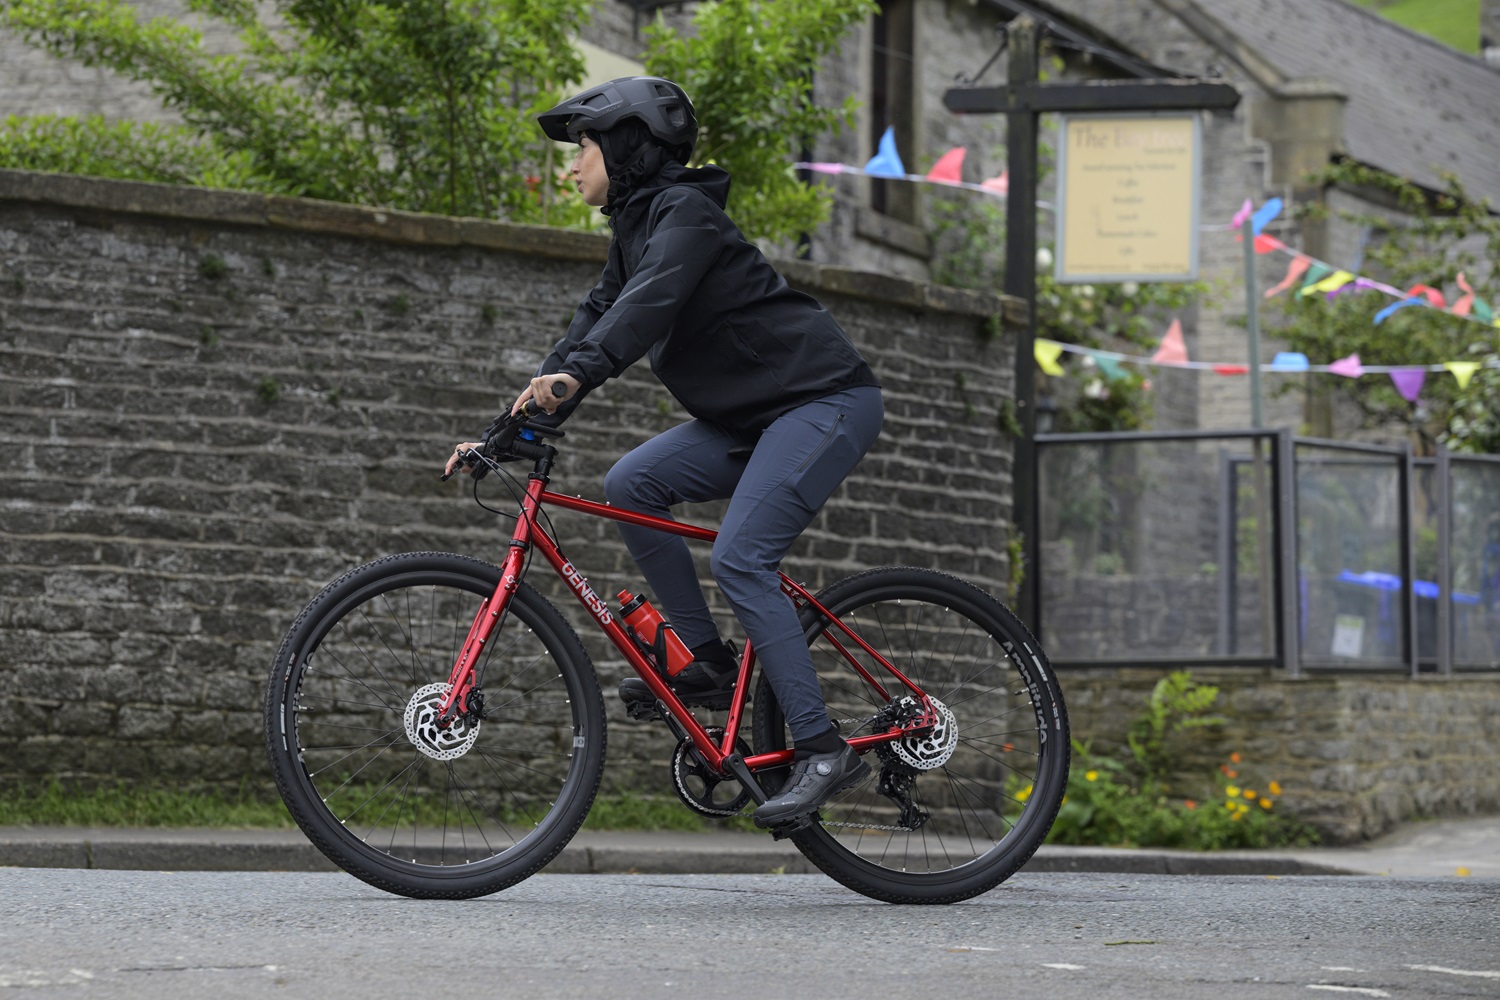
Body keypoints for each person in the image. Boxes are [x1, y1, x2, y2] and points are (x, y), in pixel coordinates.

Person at [444, 77, 884, 827]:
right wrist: (509, 429)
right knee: (633, 481)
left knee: (743, 559)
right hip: (753, 418)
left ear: (625, 143)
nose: (571, 165)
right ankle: (707, 663)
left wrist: (577, 374)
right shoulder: (635, 231)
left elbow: (644, 308)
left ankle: (821, 747)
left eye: (582, 147)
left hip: (822, 403)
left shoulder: (687, 216)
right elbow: (591, 325)